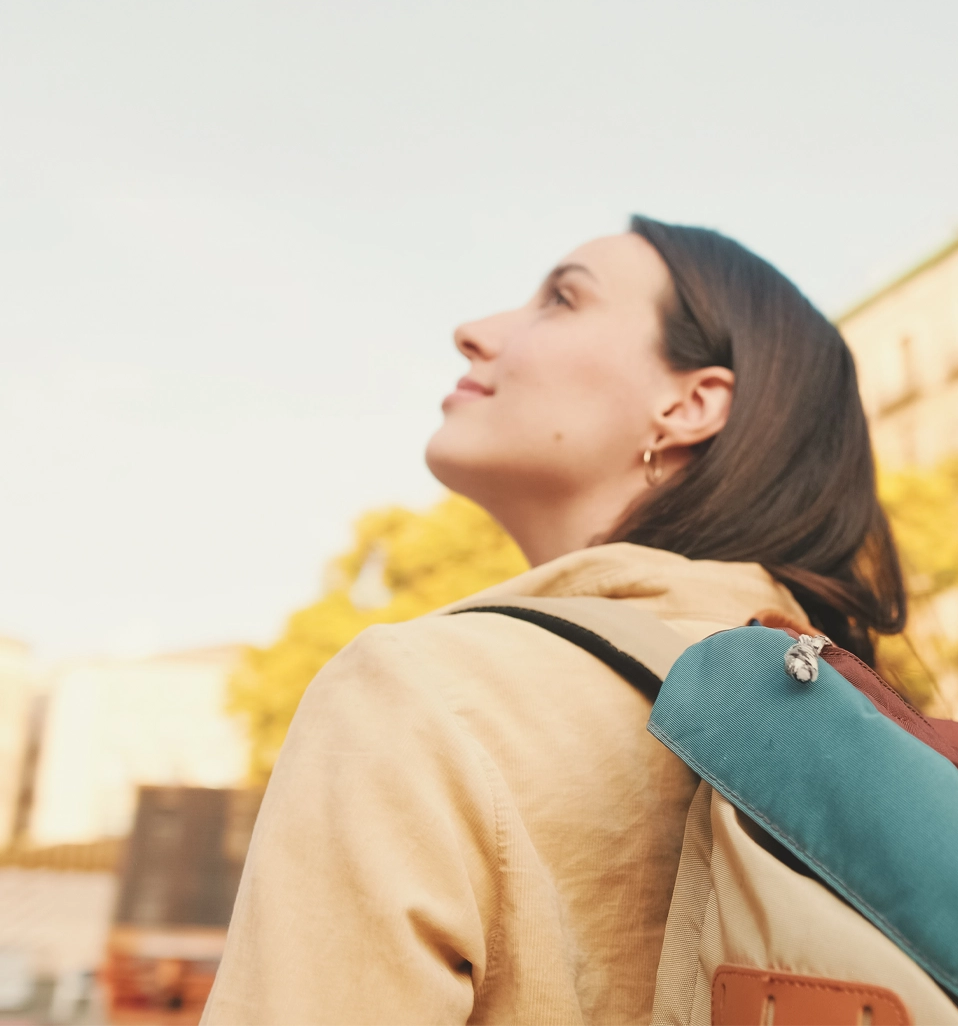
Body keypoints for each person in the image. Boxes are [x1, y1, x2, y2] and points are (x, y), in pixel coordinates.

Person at [200, 217, 907, 1025]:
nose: (473, 333)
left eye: (561, 299)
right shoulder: (868, 719)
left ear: (690, 402)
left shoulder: (419, 693)